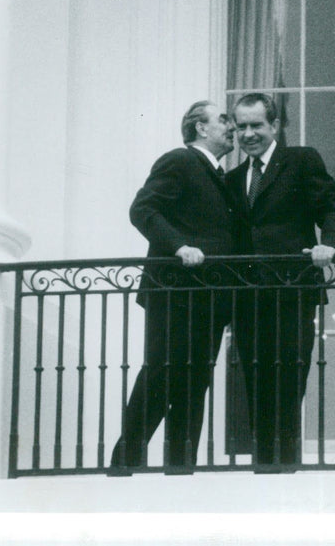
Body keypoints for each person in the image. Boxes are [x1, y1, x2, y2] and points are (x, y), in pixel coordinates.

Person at [109, 101, 236, 474]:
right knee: (161, 375)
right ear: (200, 128)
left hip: (208, 299)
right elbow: (143, 209)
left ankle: (180, 470)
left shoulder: (220, 176)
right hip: (175, 293)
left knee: (194, 385)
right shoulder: (179, 161)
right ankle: (123, 465)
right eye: (223, 119)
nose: (231, 127)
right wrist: (179, 247)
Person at [226, 92, 335, 470]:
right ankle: (264, 468)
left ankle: (286, 468)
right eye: (241, 126)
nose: (248, 134)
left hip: (292, 291)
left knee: (290, 379)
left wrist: (328, 245)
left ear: (274, 125)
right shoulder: (231, 179)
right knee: (255, 383)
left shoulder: (300, 161)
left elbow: (331, 208)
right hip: (247, 297)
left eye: (256, 125)